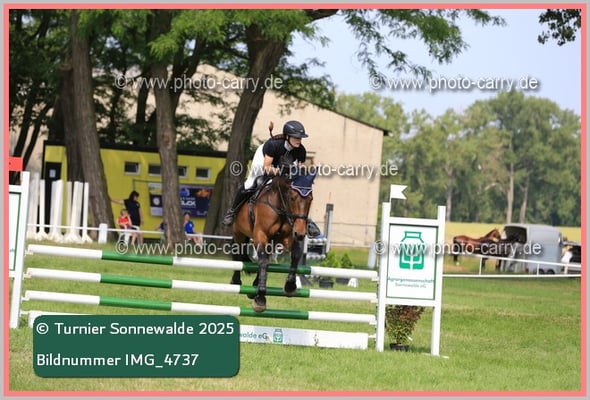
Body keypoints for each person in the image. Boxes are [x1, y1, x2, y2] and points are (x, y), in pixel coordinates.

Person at [222, 120, 309, 226]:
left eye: (300, 138)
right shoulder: (273, 145)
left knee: (298, 192)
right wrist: (281, 171)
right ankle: (232, 212)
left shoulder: (301, 150)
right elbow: (267, 168)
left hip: (282, 166)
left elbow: (300, 168)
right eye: (296, 137)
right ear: (287, 137)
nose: (299, 140)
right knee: (250, 183)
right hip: (264, 160)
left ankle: (307, 221)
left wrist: (301, 174)